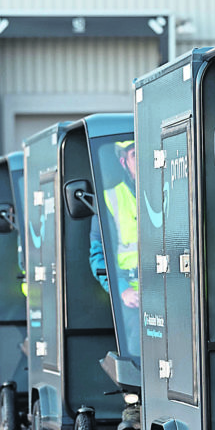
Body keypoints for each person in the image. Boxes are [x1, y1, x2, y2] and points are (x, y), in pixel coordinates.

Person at [90, 140, 141, 358]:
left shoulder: (171, 190)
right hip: (133, 299)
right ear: (124, 162)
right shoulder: (110, 199)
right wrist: (122, 290)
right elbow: (98, 256)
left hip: (168, 296)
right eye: (135, 154)